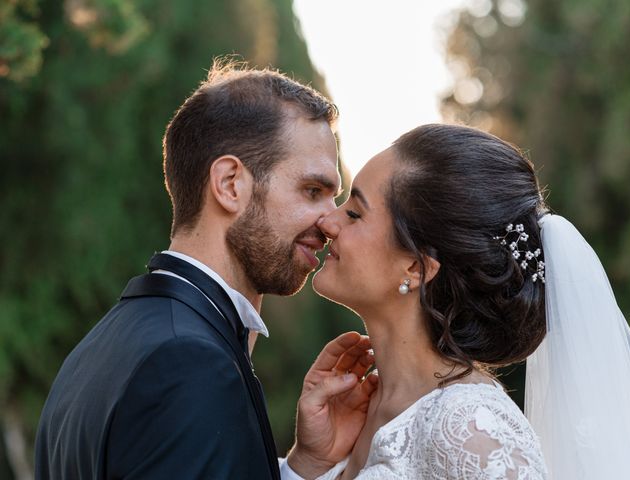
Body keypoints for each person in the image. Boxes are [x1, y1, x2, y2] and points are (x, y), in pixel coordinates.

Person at [34, 61, 378, 480]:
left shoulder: (101, 346)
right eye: (312, 191)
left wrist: (305, 466)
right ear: (230, 184)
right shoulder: (187, 362)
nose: (330, 221)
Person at [311, 124, 630, 479]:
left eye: (355, 213)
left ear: (416, 266)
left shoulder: (470, 431)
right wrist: (309, 463)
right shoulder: (357, 411)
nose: (327, 221)